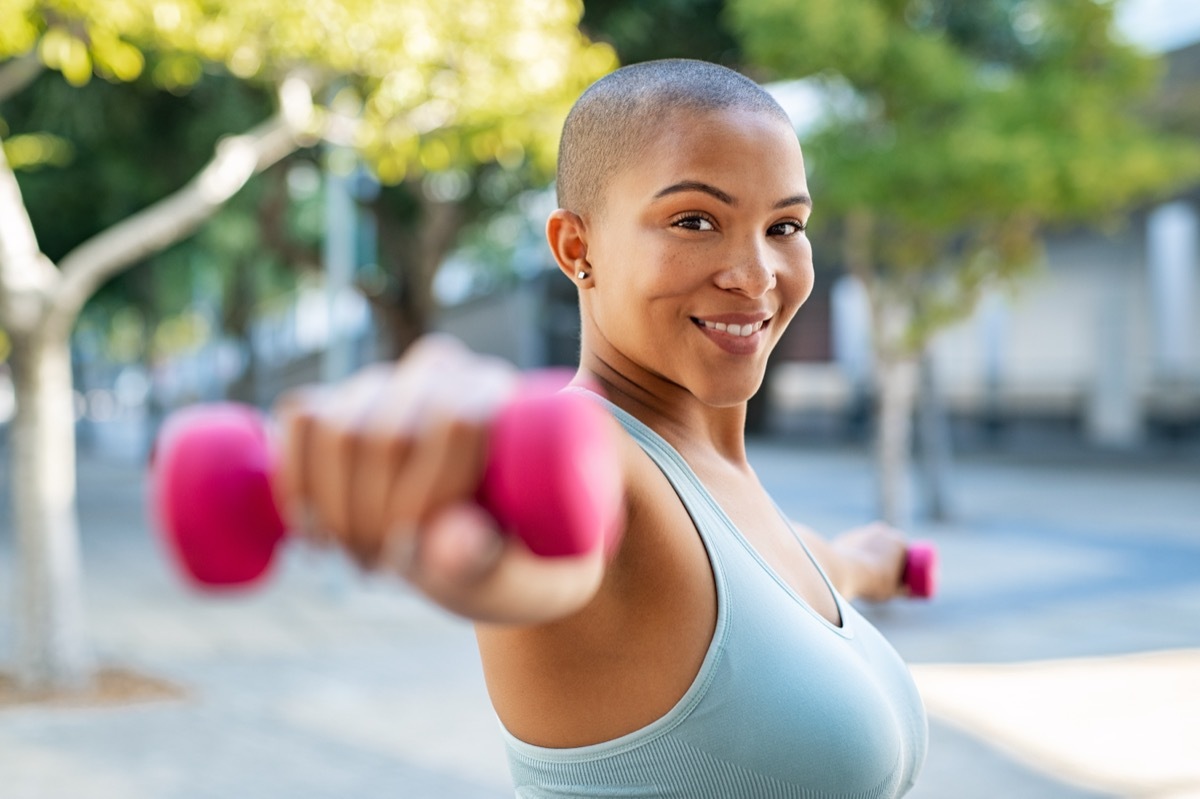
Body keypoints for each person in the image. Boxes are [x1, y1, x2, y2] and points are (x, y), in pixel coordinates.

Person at [277, 59, 927, 798]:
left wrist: (878, 564)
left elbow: (788, 568)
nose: (755, 273)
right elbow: (550, 542)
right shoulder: (598, 460)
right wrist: (463, 480)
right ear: (575, 248)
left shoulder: (722, 479)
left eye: (785, 226)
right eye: (695, 220)